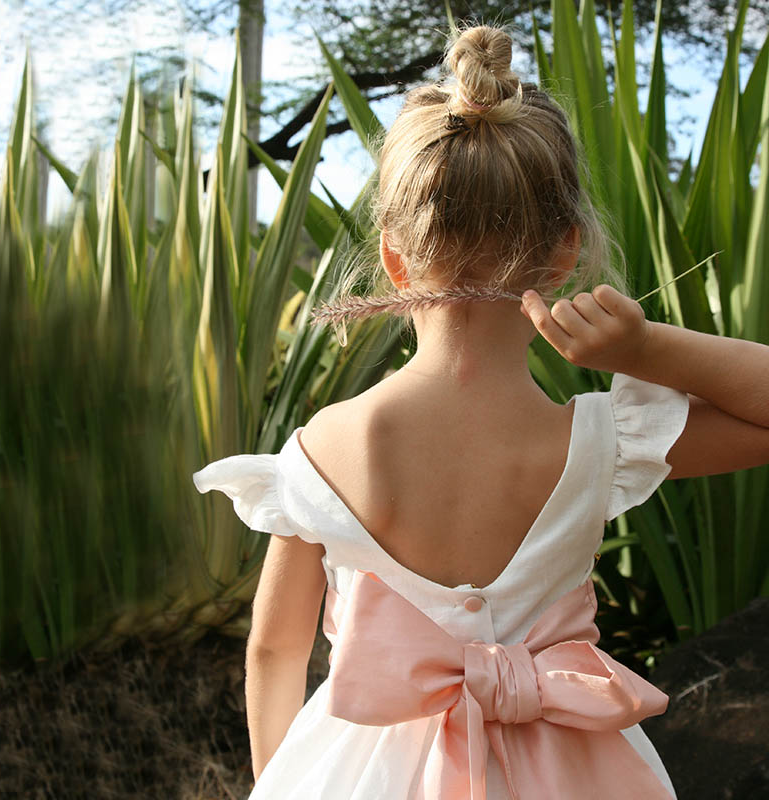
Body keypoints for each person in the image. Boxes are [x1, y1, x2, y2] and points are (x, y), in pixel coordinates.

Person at [193, 24, 769, 800]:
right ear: (567, 253)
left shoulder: (320, 451)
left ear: (393, 256)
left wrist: (283, 779)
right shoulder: (597, 445)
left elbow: (273, 650)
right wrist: (647, 349)